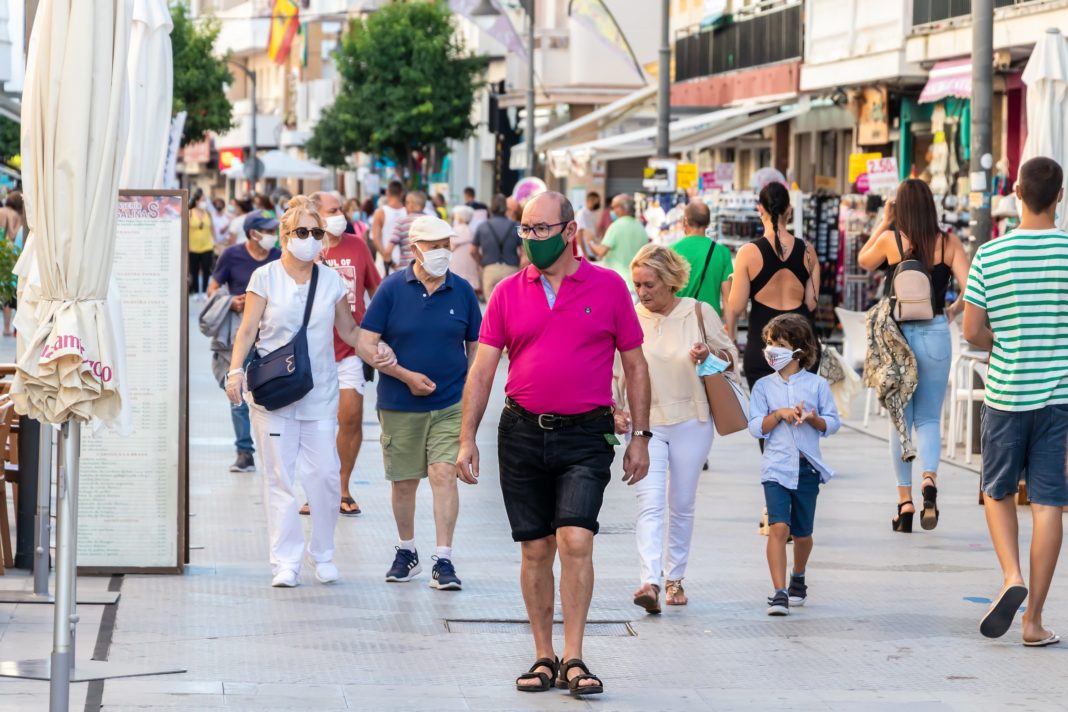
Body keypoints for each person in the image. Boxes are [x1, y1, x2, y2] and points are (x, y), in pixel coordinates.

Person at [456, 191, 651, 697]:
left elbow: (635, 365)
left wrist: (641, 438)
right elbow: (482, 371)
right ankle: (544, 655)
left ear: (569, 231)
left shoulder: (608, 288)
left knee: (576, 539)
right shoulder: (505, 293)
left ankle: (575, 656)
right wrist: (466, 438)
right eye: (525, 229)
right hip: (520, 432)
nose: (530, 239)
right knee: (537, 548)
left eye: (540, 229)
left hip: (587, 433)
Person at [225, 196, 396, 588]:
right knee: (280, 479)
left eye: (316, 232)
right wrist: (236, 372)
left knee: (325, 477)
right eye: (302, 231)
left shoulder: (330, 280)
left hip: (320, 392)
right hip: (274, 394)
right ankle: (285, 561)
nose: (310, 238)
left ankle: (323, 553)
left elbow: (350, 331)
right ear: (285, 235)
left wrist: (378, 349)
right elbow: (247, 330)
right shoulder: (264, 278)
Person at [963, 156, 1068, 647]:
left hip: (1006, 393)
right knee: (1049, 504)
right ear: (1060, 196)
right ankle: (1033, 622)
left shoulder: (990, 255)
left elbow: (972, 330)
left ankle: (1010, 576)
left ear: (1017, 193)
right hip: (1058, 398)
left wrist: (1003, 344)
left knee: (998, 491)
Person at [358, 215, 481, 591]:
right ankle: (406, 550)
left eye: (447, 244)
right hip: (399, 403)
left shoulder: (461, 291)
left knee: (444, 474)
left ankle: (443, 559)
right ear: (415, 249)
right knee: (404, 482)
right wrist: (405, 376)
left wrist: (470, 386)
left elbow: (476, 344)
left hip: (449, 403)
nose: (443, 252)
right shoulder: (392, 289)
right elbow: (365, 343)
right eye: (434, 246)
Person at [614, 244, 736, 612]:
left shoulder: (699, 313)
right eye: (637, 284)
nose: (642, 292)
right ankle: (649, 581)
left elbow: (729, 361)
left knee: (681, 503)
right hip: (645, 424)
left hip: (691, 420)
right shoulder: (630, 316)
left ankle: (674, 578)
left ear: (669, 282)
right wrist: (615, 408)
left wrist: (708, 356)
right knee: (649, 503)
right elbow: (615, 369)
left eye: (649, 284)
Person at [858, 179, 971, 533]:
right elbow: (971, 286)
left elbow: (864, 261)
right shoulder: (947, 242)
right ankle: (929, 481)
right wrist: (951, 312)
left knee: (899, 421)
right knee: (929, 419)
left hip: (899, 337)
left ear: (902, 207)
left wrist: (885, 219)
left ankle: (905, 503)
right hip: (936, 332)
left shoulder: (893, 240)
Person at [297, 191, 383, 517]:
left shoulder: (357, 245)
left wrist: (377, 329)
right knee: (314, 425)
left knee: (349, 419)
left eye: (341, 209)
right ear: (316, 215)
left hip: (349, 350)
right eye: (333, 210)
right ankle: (314, 490)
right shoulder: (305, 247)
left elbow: (376, 288)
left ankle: (342, 487)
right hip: (311, 352)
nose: (340, 214)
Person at [748, 314, 840, 616]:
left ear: (798, 350)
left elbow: (833, 423)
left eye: (780, 344)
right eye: (769, 343)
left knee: (802, 533)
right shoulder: (763, 386)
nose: (772, 349)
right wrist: (778, 415)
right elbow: (755, 426)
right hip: (775, 468)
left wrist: (813, 418)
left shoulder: (817, 385)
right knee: (778, 527)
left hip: (806, 469)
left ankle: (797, 576)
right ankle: (779, 593)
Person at [725, 182, 820, 392]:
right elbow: (811, 303)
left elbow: (736, 306)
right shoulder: (808, 251)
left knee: (766, 417)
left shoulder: (748, 253)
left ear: (760, 209)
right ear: (789, 210)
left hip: (764, 345)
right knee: (800, 414)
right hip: (801, 343)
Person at [208, 211, 283, 473]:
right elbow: (213, 289)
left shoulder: (278, 257)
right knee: (237, 394)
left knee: (272, 394)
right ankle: (244, 451)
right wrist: (233, 302)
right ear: (254, 233)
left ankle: (274, 450)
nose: (273, 236)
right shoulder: (231, 255)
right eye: (269, 230)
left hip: (272, 338)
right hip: (240, 335)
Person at [672, 201, 734, 317]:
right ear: (708, 223)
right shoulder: (722, 252)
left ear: (685, 221)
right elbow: (727, 300)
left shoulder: (671, 251)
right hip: (710, 323)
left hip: (680, 322)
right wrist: (730, 333)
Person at [591, 194, 648, 288]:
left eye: (613, 207)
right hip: (635, 283)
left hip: (617, 282)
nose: (611, 211)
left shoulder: (616, 226)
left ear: (621, 208)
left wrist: (590, 243)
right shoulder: (640, 227)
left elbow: (601, 252)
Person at [473, 193, 521, 299]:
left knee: (491, 309)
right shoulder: (516, 226)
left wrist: (481, 262)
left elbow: (472, 250)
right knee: (510, 306)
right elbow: (524, 252)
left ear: (491, 208)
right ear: (506, 208)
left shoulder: (483, 226)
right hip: (511, 270)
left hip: (490, 269)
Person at [0, 192, 25, 337]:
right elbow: (13, 234)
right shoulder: (13, 215)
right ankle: (7, 327)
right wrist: (20, 221)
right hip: (5, 253)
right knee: (7, 293)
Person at [189, 190, 215, 301]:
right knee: (194, 270)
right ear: (197, 201)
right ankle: (195, 291)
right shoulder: (189, 212)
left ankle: (204, 291)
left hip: (207, 246)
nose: (204, 202)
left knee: (206, 270)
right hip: (193, 247)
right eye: (203, 200)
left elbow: (212, 228)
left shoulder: (208, 213)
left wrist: (215, 241)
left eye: (205, 200)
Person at [449, 205, 481, 293]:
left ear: (459, 217)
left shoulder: (451, 232)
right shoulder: (473, 232)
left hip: (454, 269)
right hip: (470, 271)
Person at [575, 191, 602, 261]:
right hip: (585, 253)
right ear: (591, 200)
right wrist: (585, 255)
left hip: (591, 252)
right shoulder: (582, 213)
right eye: (597, 201)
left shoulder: (591, 213)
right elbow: (579, 234)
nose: (598, 204)